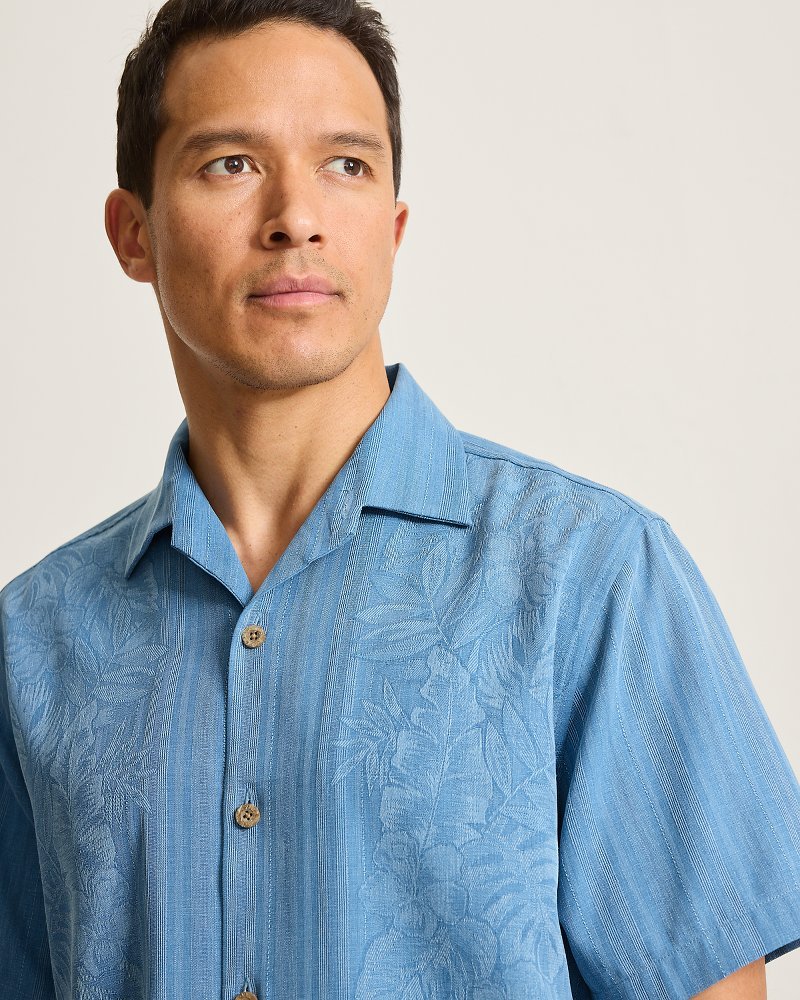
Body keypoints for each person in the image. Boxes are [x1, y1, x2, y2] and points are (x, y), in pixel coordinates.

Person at [1, 0, 798, 997]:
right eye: (230, 164)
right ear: (134, 234)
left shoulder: (590, 580)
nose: (296, 217)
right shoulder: (33, 642)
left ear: (393, 226)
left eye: (346, 164)